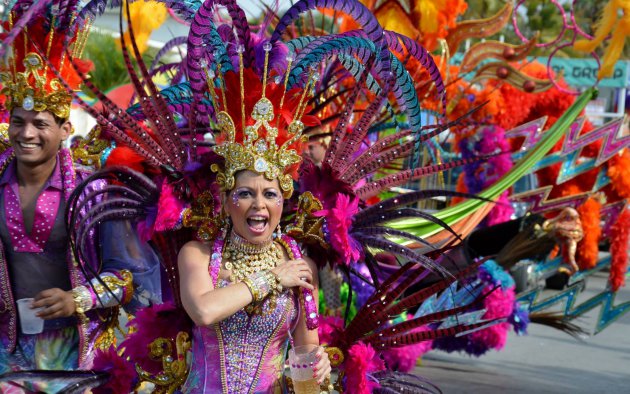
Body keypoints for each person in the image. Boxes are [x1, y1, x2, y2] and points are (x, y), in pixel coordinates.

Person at [0, 5, 161, 391]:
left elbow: (132, 279)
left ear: (64, 128)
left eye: (40, 123)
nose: (27, 133)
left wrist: (79, 298)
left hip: (79, 355)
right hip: (8, 351)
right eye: (18, 122)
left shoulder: (93, 191)